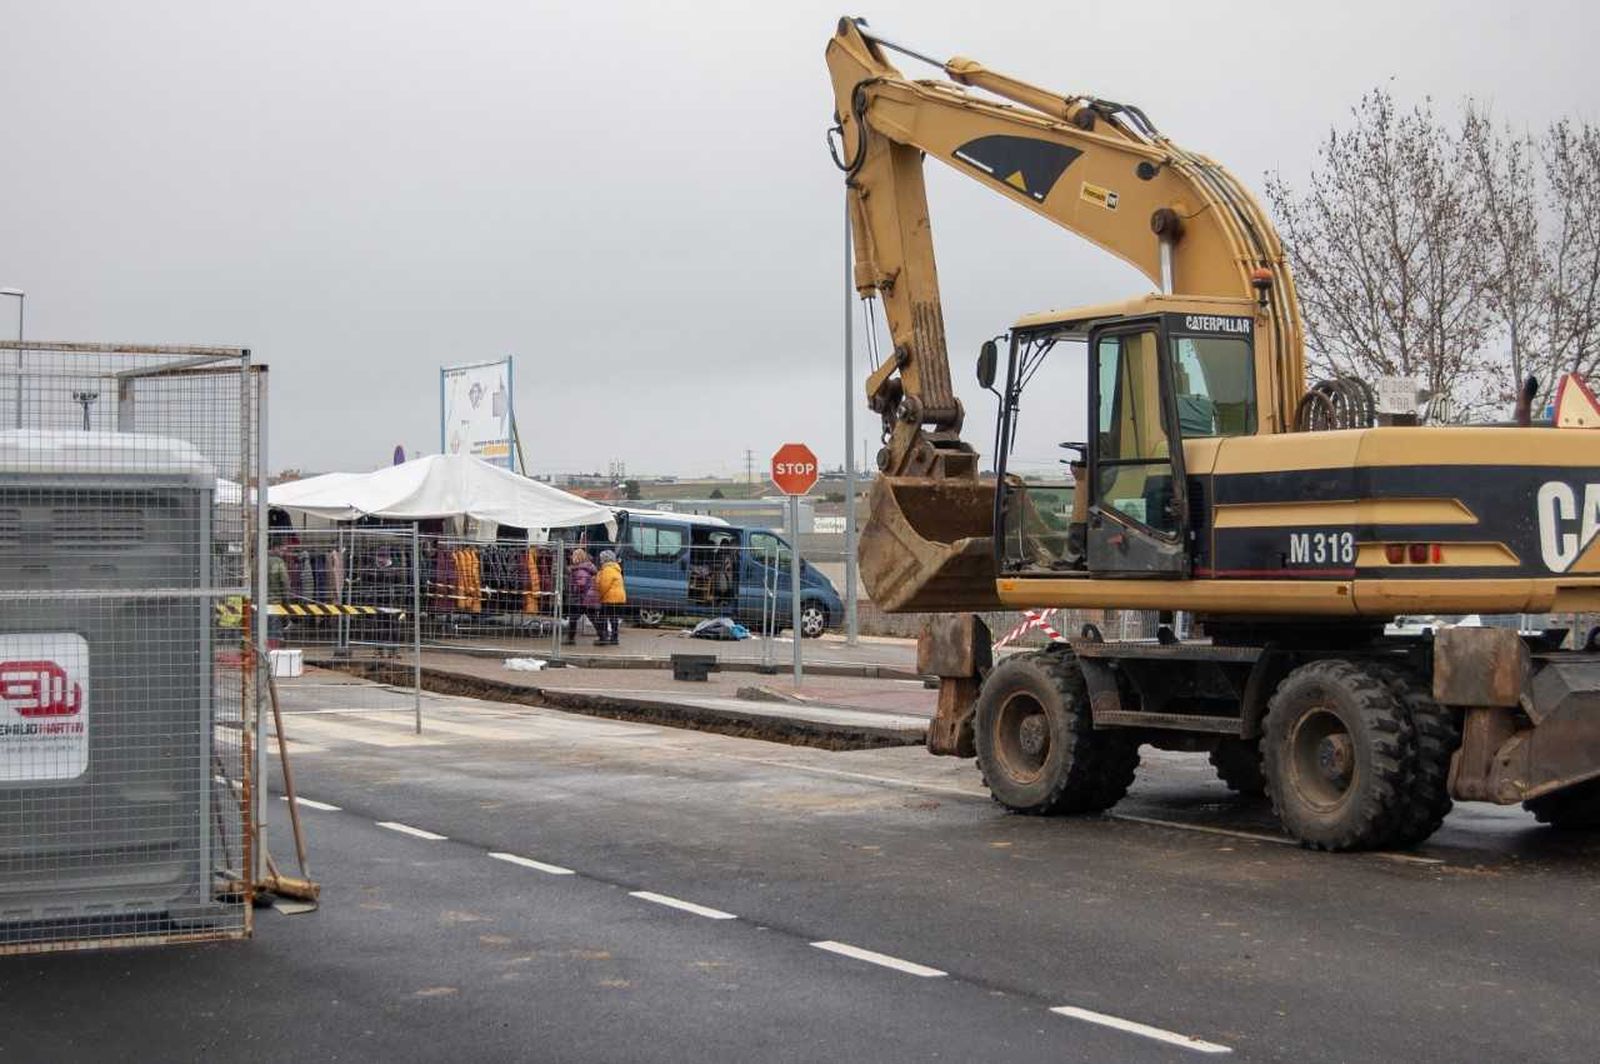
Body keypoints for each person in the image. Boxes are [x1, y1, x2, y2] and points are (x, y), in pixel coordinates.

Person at [564, 548, 601, 644]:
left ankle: (570, 639)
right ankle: (603, 635)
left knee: (573, 619)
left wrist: (573, 589)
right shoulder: (585, 568)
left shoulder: (580, 570)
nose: (571, 557)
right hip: (587, 599)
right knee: (593, 618)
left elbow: (581, 584)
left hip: (580, 599)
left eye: (573, 555)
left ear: (577, 557)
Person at [595, 550, 627, 645]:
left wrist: (600, 596)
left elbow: (604, 586)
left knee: (602, 617)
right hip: (619, 598)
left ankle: (604, 637)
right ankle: (614, 637)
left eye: (601, 559)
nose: (600, 561)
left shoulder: (607, 570)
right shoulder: (616, 568)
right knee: (614, 618)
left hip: (610, 598)